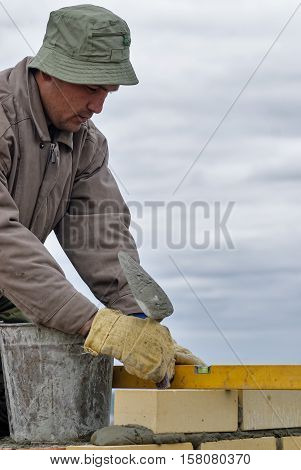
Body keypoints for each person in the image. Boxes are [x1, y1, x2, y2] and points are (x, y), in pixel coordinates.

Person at [0, 5, 205, 436]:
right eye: (91, 88)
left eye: (108, 92)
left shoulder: (85, 144)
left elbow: (102, 237)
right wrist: (96, 324)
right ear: (49, 72)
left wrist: (137, 324)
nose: (99, 106)